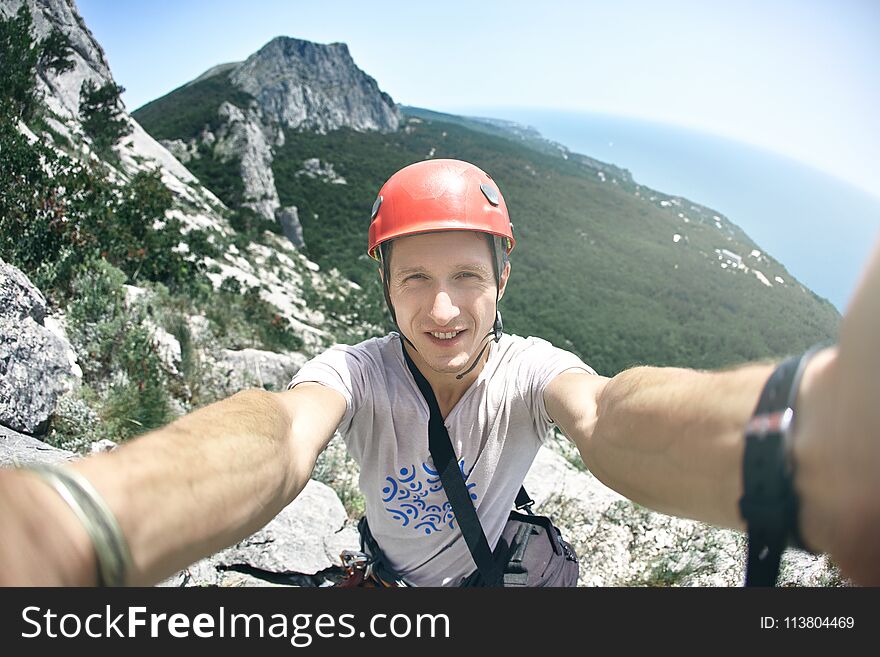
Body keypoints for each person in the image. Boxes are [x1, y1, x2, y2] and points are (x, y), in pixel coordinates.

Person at [0, 159, 877, 587]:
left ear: (503, 280)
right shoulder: (357, 371)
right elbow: (279, 436)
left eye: (466, 276)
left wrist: (792, 439)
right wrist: (87, 515)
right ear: (383, 285)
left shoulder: (533, 370)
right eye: (414, 277)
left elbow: (610, 418)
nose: (443, 308)